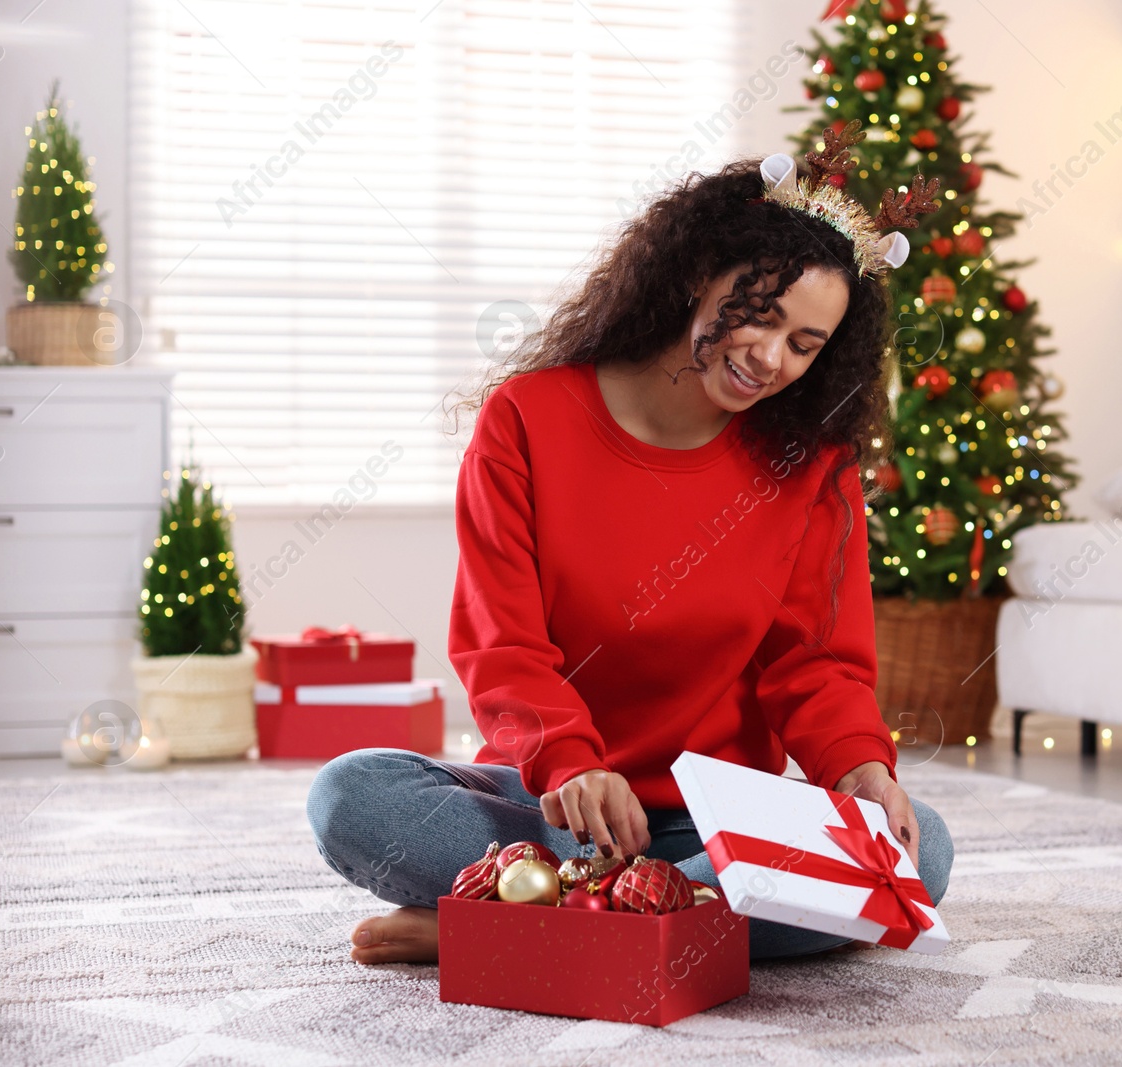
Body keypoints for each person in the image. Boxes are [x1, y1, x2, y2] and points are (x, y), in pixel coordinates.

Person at [308, 130, 955, 964]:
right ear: (697, 274)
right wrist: (571, 764)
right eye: (759, 312)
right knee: (353, 793)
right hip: (555, 809)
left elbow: (818, 664)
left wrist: (860, 767)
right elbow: (501, 640)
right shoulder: (529, 417)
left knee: (921, 849)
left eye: (805, 344)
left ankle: (521, 929)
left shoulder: (812, 462)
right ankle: (663, 920)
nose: (769, 356)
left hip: (722, 816)